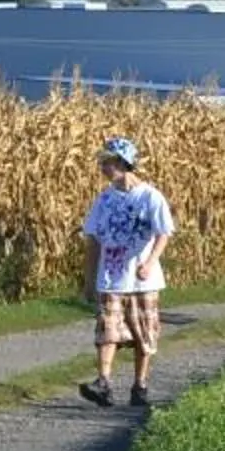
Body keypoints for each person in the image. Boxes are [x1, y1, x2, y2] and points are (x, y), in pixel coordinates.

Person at [77, 135, 175, 409]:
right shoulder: (104, 200)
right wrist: (89, 278)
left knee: (145, 334)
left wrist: (150, 262)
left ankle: (140, 385)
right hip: (111, 277)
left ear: (122, 163)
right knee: (107, 330)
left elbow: (163, 233)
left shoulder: (150, 197)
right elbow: (93, 238)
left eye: (106, 162)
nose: (102, 167)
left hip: (143, 279)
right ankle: (103, 382)